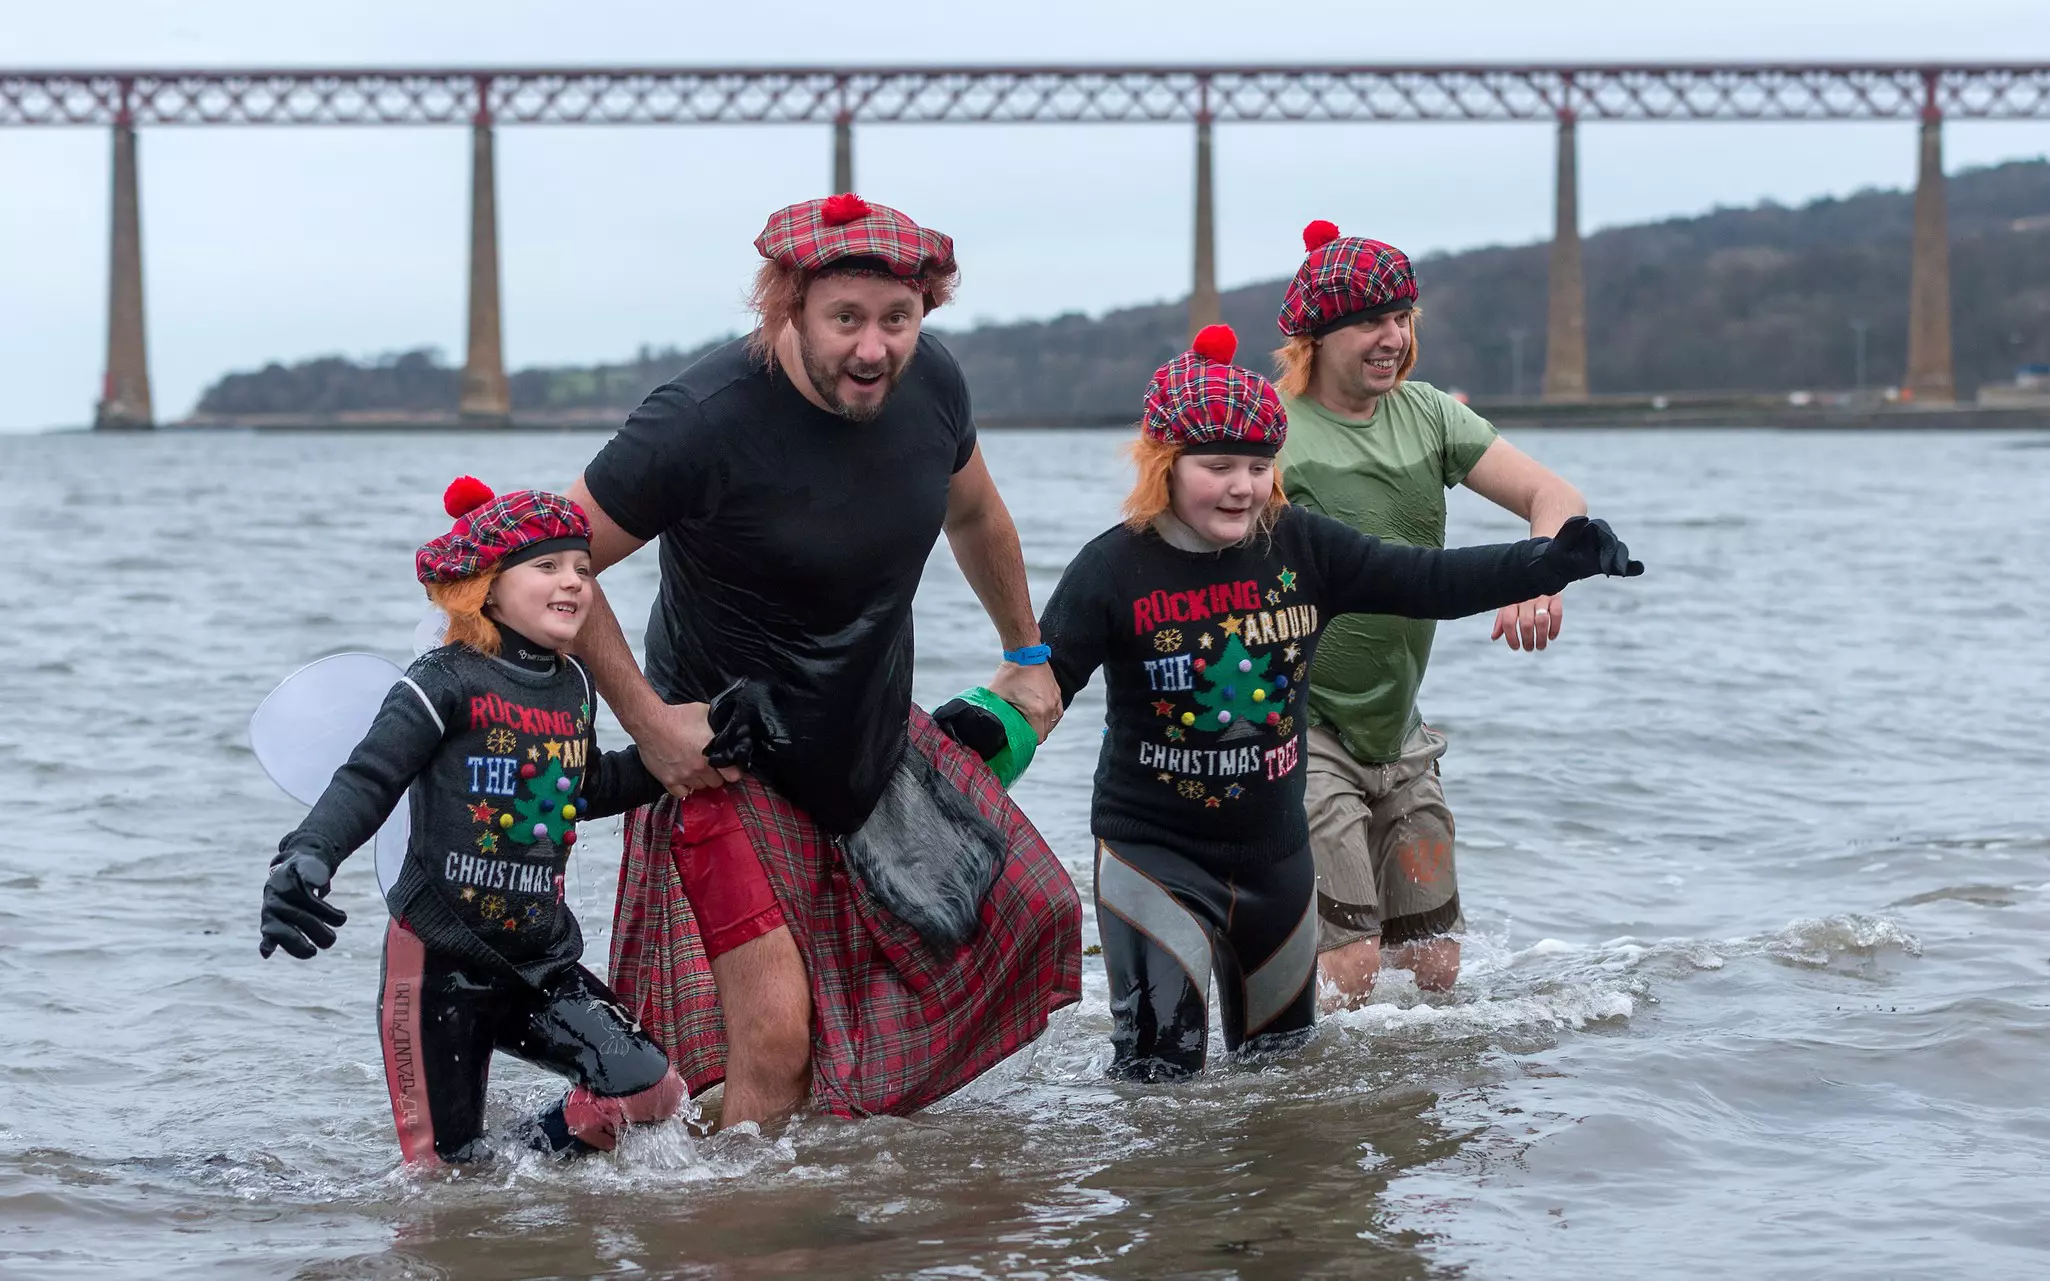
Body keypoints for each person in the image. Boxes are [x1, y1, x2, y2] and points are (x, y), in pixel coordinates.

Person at [564, 192, 1081, 1127]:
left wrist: (1028, 655)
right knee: (772, 1041)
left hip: (869, 736)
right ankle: (738, 1237)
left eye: (899, 319)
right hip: (727, 757)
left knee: (1034, 917)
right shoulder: (701, 418)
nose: (874, 349)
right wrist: (648, 721)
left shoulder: (934, 388)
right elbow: (552, 564)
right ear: (787, 307)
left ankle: (829, 1179)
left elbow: (974, 514)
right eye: (846, 319)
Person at [1036, 324, 1641, 1079]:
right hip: (1155, 857)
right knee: (1158, 1079)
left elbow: (1427, 581)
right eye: (1216, 465)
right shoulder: (1111, 567)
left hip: (1275, 860)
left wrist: (1549, 560)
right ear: (1164, 464)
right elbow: (1039, 687)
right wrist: (970, 744)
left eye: (1258, 467)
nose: (1240, 486)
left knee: (1286, 1079)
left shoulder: (1302, 546)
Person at [257, 477, 684, 1164]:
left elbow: (582, 782)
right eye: (546, 565)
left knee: (650, 1089)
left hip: (540, 961)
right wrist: (306, 855)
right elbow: (369, 778)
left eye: (582, 567)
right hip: (437, 966)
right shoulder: (442, 681)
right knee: (442, 1178)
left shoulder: (572, 682)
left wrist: (691, 753)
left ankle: (520, 1163)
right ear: (485, 583)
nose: (573, 580)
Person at [1273, 220, 1606, 1005]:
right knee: (1349, 968)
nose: (1392, 337)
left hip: (1400, 731)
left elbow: (1554, 497)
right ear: (1316, 334)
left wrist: (1540, 571)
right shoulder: (1276, 435)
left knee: (1435, 971)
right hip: (1302, 727)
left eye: (1402, 319)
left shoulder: (1429, 415)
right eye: (1369, 322)